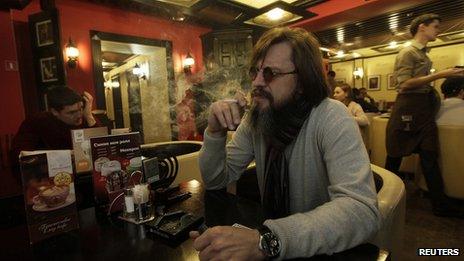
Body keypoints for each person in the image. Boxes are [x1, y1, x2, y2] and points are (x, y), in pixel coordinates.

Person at [190, 27, 379, 260]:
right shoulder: (256, 117)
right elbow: (217, 179)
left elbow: (361, 210)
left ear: (302, 81)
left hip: (321, 251)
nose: (257, 83)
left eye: (270, 74)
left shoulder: (331, 116)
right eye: (255, 72)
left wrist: (266, 240)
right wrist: (214, 131)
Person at [385, 13, 464, 217]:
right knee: (394, 155)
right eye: (436, 26)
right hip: (408, 109)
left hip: (422, 109)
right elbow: (403, 84)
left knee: (430, 153)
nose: (439, 30)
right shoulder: (407, 52)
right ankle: (383, 199)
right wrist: (440, 75)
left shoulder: (424, 54)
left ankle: (440, 204)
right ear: (422, 27)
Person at [12, 86, 98, 159]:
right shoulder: (37, 122)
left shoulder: (86, 117)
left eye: (81, 108)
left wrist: (89, 116)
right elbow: (20, 154)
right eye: (72, 112)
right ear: (55, 112)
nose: (79, 115)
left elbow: (103, 147)